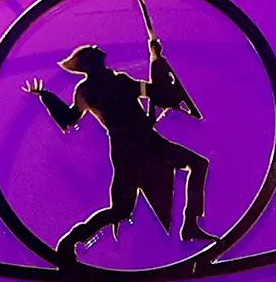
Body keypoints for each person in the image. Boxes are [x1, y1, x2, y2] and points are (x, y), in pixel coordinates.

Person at [25, 26, 218, 264]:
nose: (100, 54)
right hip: (133, 148)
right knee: (122, 209)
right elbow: (70, 118)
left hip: (140, 144)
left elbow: (156, 93)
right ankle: (71, 241)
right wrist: (46, 97)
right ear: (91, 64)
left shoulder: (112, 83)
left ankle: (190, 225)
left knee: (195, 166)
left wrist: (156, 59)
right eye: (95, 55)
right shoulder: (94, 89)